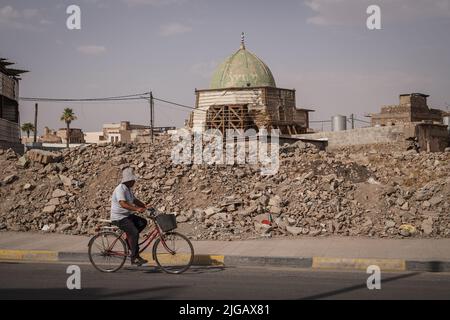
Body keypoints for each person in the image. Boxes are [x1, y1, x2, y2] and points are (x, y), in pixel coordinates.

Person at [110, 167, 149, 266]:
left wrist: (145, 206)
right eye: (133, 180)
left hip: (126, 215)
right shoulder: (120, 189)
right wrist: (136, 209)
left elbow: (134, 200)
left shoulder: (128, 189)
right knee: (135, 232)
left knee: (143, 222)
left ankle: (130, 239)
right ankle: (134, 258)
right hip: (119, 217)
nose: (134, 181)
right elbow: (123, 203)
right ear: (128, 180)